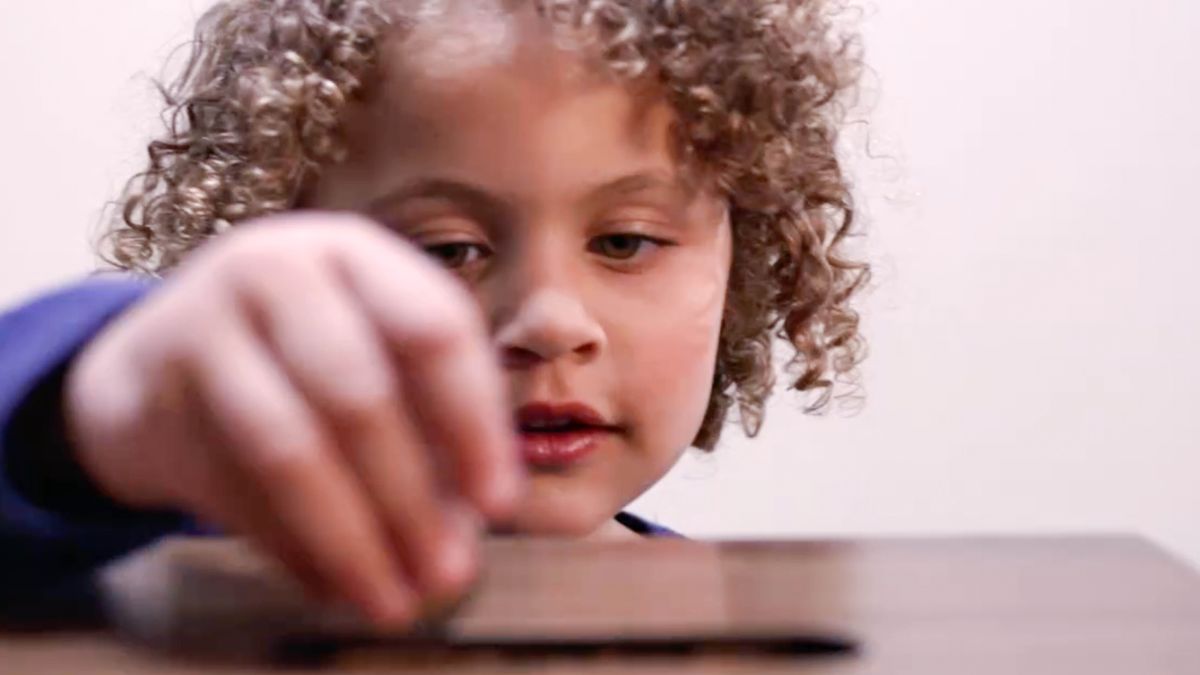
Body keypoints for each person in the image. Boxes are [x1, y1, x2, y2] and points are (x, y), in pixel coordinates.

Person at [0, 0, 869, 627]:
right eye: (446, 250)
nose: (550, 321)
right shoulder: (181, 568)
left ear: (745, 260)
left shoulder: (733, 625)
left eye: (625, 241)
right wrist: (93, 408)